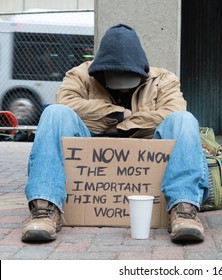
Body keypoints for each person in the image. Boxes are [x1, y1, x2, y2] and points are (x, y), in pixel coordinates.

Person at [21, 24, 209, 243]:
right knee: (54, 113)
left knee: (184, 120)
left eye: (129, 80)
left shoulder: (164, 80)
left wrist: (119, 127)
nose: (123, 89)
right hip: (92, 147)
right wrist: (118, 113)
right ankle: (45, 207)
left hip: (146, 146)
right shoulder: (80, 75)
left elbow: (173, 111)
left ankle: (183, 207)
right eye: (117, 81)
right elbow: (66, 102)